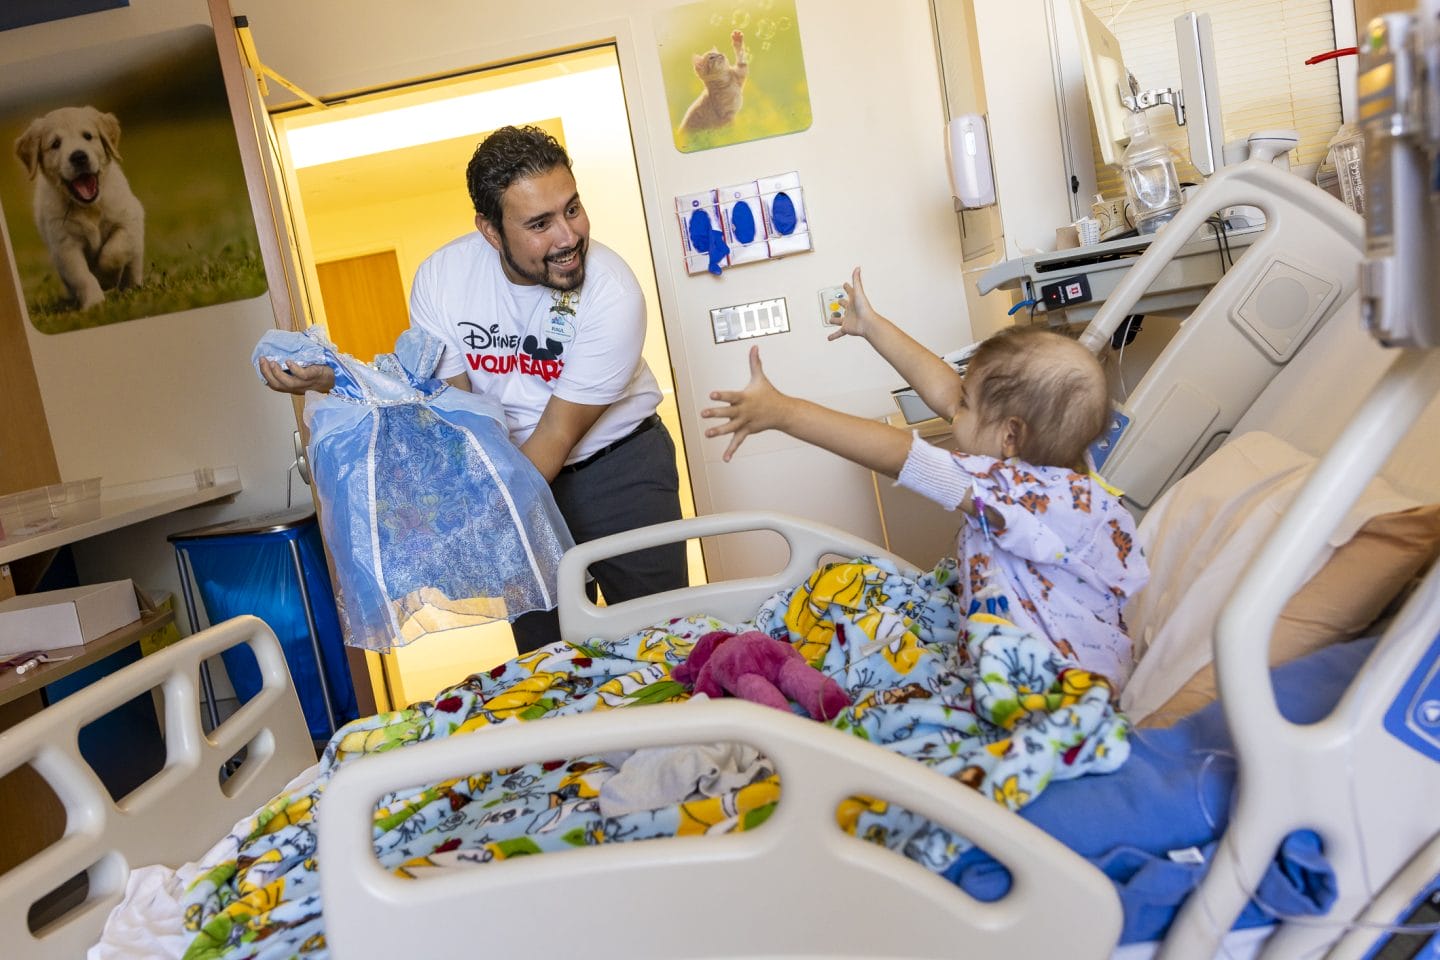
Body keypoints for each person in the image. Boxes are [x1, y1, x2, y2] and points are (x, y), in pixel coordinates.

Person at [260, 125, 686, 653]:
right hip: (510, 471)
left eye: (572, 209)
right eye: (539, 223)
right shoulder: (442, 280)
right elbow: (449, 416)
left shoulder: (613, 294)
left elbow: (555, 435)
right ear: (490, 230)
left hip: (617, 472)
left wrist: (458, 526)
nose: (568, 237)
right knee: (549, 662)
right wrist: (335, 380)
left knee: (664, 645)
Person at [700, 267, 1148, 687]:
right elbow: (947, 391)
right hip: (1088, 666)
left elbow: (900, 455)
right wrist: (873, 326)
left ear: (1011, 434)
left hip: (1053, 684)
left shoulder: (1010, 490)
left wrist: (784, 411)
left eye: (967, 404)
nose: (955, 409)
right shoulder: (1066, 479)